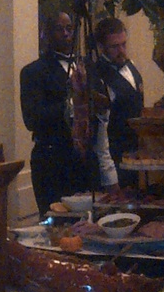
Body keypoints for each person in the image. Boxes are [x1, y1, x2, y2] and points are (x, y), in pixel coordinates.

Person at [20, 13, 112, 217]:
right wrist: (73, 104)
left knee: (92, 222)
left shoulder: (88, 67)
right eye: (59, 29)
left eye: (69, 28)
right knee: (59, 222)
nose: (65, 34)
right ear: (47, 34)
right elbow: (32, 118)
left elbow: (101, 106)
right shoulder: (33, 72)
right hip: (52, 161)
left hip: (86, 160)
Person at [94, 16, 145, 189]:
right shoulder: (97, 76)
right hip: (116, 160)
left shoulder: (131, 66)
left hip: (137, 156)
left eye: (124, 44)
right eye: (115, 47)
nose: (122, 50)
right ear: (101, 47)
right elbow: (101, 134)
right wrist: (110, 176)